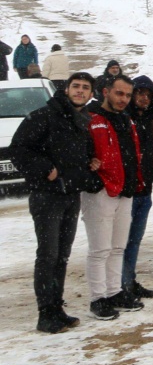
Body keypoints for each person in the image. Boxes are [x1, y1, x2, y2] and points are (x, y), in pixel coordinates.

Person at [13, 71, 99, 331]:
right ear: (66, 89)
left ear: (91, 94)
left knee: (62, 255)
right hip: (47, 196)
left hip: (70, 195)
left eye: (85, 88)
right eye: (76, 86)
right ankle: (45, 313)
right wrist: (45, 168)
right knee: (48, 255)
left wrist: (90, 162)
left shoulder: (82, 119)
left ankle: (57, 308)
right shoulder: (44, 116)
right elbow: (19, 149)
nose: (80, 91)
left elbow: (77, 153)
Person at [83, 75, 144, 318]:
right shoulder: (90, 119)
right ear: (106, 92)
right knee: (100, 249)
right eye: (119, 93)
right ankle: (98, 298)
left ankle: (114, 291)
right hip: (100, 190)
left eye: (127, 95)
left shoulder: (126, 120)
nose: (124, 99)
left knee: (118, 247)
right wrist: (92, 175)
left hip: (125, 189)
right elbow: (79, 151)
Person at [121, 75, 153, 298]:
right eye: (140, 93)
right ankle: (119, 284)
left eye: (148, 95)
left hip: (144, 188)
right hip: (126, 190)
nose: (144, 98)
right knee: (120, 242)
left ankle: (129, 279)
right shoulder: (123, 119)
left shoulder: (147, 119)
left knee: (134, 240)